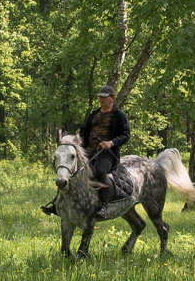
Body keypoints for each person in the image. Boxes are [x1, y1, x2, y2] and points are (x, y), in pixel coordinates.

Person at [42, 85, 131, 218]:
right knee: (70, 171)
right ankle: (57, 204)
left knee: (100, 172)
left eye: (104, 97)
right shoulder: (94, 114)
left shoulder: (118, 115)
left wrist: (111, 143)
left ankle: (103, 206)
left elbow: (126, 134)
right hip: (87, 151)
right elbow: (84, 130)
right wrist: (81, 140)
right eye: (100, 97)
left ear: (112, 98)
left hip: (106, 153)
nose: (101, 99)